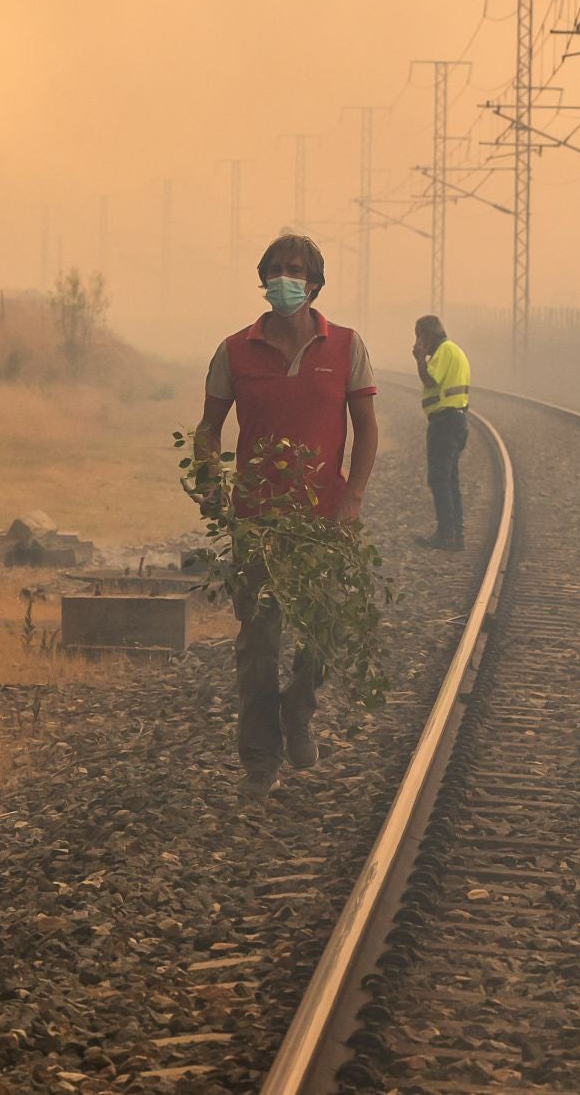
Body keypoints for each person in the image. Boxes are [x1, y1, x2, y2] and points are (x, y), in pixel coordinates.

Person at [192, 234, 379, 798]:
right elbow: (208, 428)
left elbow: (366, 427)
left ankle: (299, 710)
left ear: (315, 282)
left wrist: (354, 497)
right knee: (258, 644)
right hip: (257, 522)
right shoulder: (233, 351)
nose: (284, 278)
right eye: (274, 270)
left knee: (326, 630)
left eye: (294, 270)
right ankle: (259, 759)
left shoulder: (347, 346)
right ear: (263, 280)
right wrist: (209, 483)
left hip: (325, 519)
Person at [412, 315, 472, 550]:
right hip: (457, 420)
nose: (417, 342)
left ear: (427, 336)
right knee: (450, 479)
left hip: (444, 423)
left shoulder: (444, 351)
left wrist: (419, 359)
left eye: (419, 336)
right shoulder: (455, 351)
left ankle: (447, 535)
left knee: (439, 480)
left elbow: (429, 379)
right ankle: (456, 534)